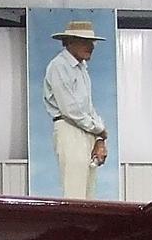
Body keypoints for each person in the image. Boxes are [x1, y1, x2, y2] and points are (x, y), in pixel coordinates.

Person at [42, 19, 109, 200]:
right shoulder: (59, 66)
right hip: (70, 128)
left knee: (89, 191)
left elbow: (87, 107)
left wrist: (100, 137)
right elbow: (70, 110)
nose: (91, 46)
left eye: (91, 42)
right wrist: (99, 129)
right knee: (75, 190)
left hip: (84, 129)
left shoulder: (81, 69)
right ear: (69, 42)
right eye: (85, 41)